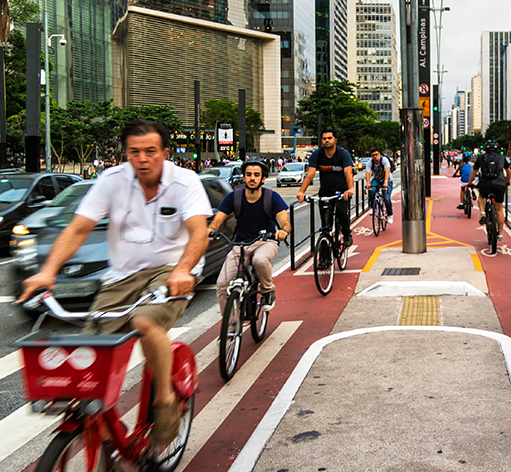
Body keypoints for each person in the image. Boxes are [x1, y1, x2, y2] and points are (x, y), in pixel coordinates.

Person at [18, 120, 212, 445]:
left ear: (165, 153)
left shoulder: (185, 182)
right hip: (120, 278)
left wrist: (183, 270)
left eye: (151, 151)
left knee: (145, 321)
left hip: (170, 270)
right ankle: (108, 436)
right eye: (135, 152)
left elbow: (198, 232)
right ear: (126, 154)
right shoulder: (111, 181)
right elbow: (78, 229)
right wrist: (47, 271)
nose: (143, 159)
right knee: (88, 354)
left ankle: (164, 397)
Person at [209, 159, 290, 312]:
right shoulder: (234, 197)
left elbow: (285, 222)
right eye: (249, 175)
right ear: (244, 178)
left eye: (256, 175)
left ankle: (267, 290)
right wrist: (211, 229)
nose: (252, 178)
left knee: (259, 260)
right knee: (222, 285)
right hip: (240, 244)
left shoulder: (272, 197)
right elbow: (217, 220)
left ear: (263, 178)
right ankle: (231, 330)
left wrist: (283, 231)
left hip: (266, 242)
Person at [297, 128, 355, 245]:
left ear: (335, 140)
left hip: (342, 192)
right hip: (325, 192)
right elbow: (310, 173)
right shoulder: (317, 155)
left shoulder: (343, 154)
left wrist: (350, 189)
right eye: (324, 139)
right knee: (325, 225)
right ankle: (325, 259)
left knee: (341, 212)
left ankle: (347, 234)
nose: (327, 141)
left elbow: (348, 172)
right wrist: (301, 191)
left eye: (329, 138)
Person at [471, 139, 511, 240]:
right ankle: (501, 233)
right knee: (499, 209)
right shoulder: (502, 158)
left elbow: (474, 171)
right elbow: (509, 171)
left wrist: (469, 183)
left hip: (485, 183)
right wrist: (507, 182)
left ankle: (482, 212)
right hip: (499, 184)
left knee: (481, 196)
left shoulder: (481, 158)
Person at [366, 148, 394, 223]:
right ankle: (372, 208)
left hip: (387, 180)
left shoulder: (384, 160)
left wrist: (386, 182)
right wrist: (368, 183)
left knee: (386, 198)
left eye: (376, 154)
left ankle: (390, 215)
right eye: (373, 155)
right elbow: (368, 173)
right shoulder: (370, 162)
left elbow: (387, 171)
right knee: (371, 190)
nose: (375, 157)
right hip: (377, 180)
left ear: (379, 154)